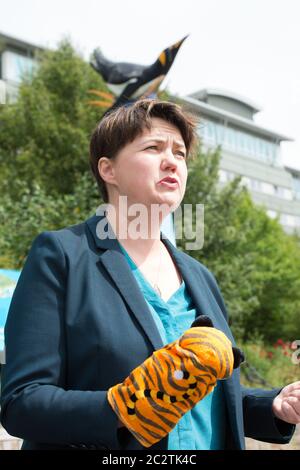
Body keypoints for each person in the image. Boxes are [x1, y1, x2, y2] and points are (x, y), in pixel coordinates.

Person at [0, 99, 299, 450]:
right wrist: (125, 409)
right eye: (153, 147)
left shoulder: (200, 276)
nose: (172, 161)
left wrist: (274, 406)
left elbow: (199, 398)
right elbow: (22, 402)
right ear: (108, 170)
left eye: (180, 153)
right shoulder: (61, 255)